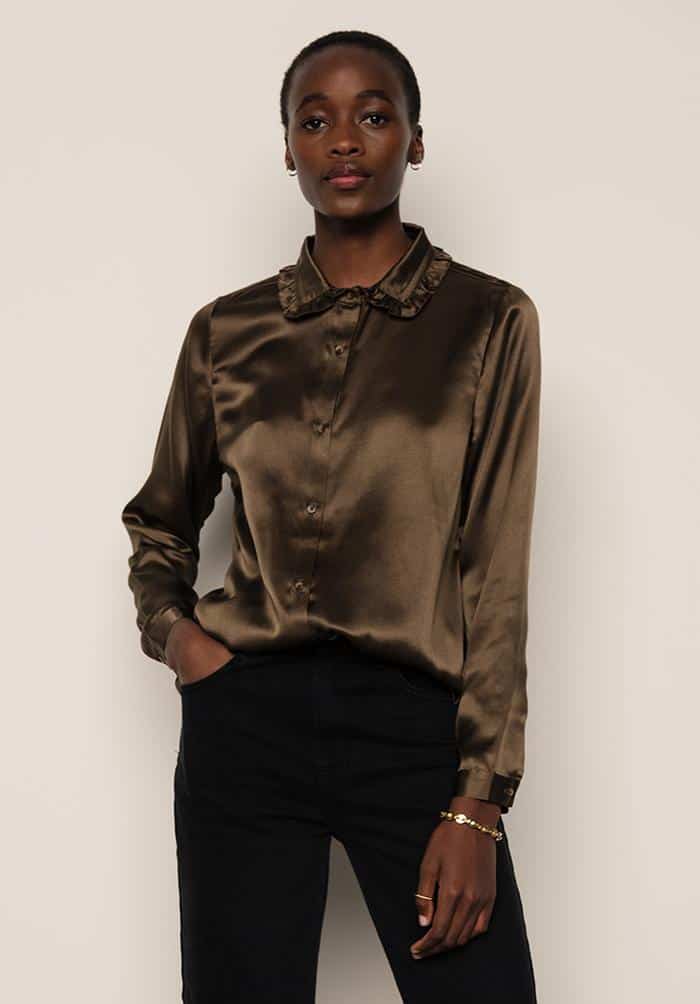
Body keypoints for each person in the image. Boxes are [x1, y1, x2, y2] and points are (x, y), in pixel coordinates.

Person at [121, 28, 540, 1004]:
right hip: (245, 725)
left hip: (414, 727)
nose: (343, 139)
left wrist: (477, 801)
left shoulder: (489, 321)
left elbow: (496, 570)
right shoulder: (226, 331)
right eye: (315, 120)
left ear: (415, 140)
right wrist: (183, 643)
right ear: (289, 149)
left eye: (373, 115)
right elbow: (159, 525)